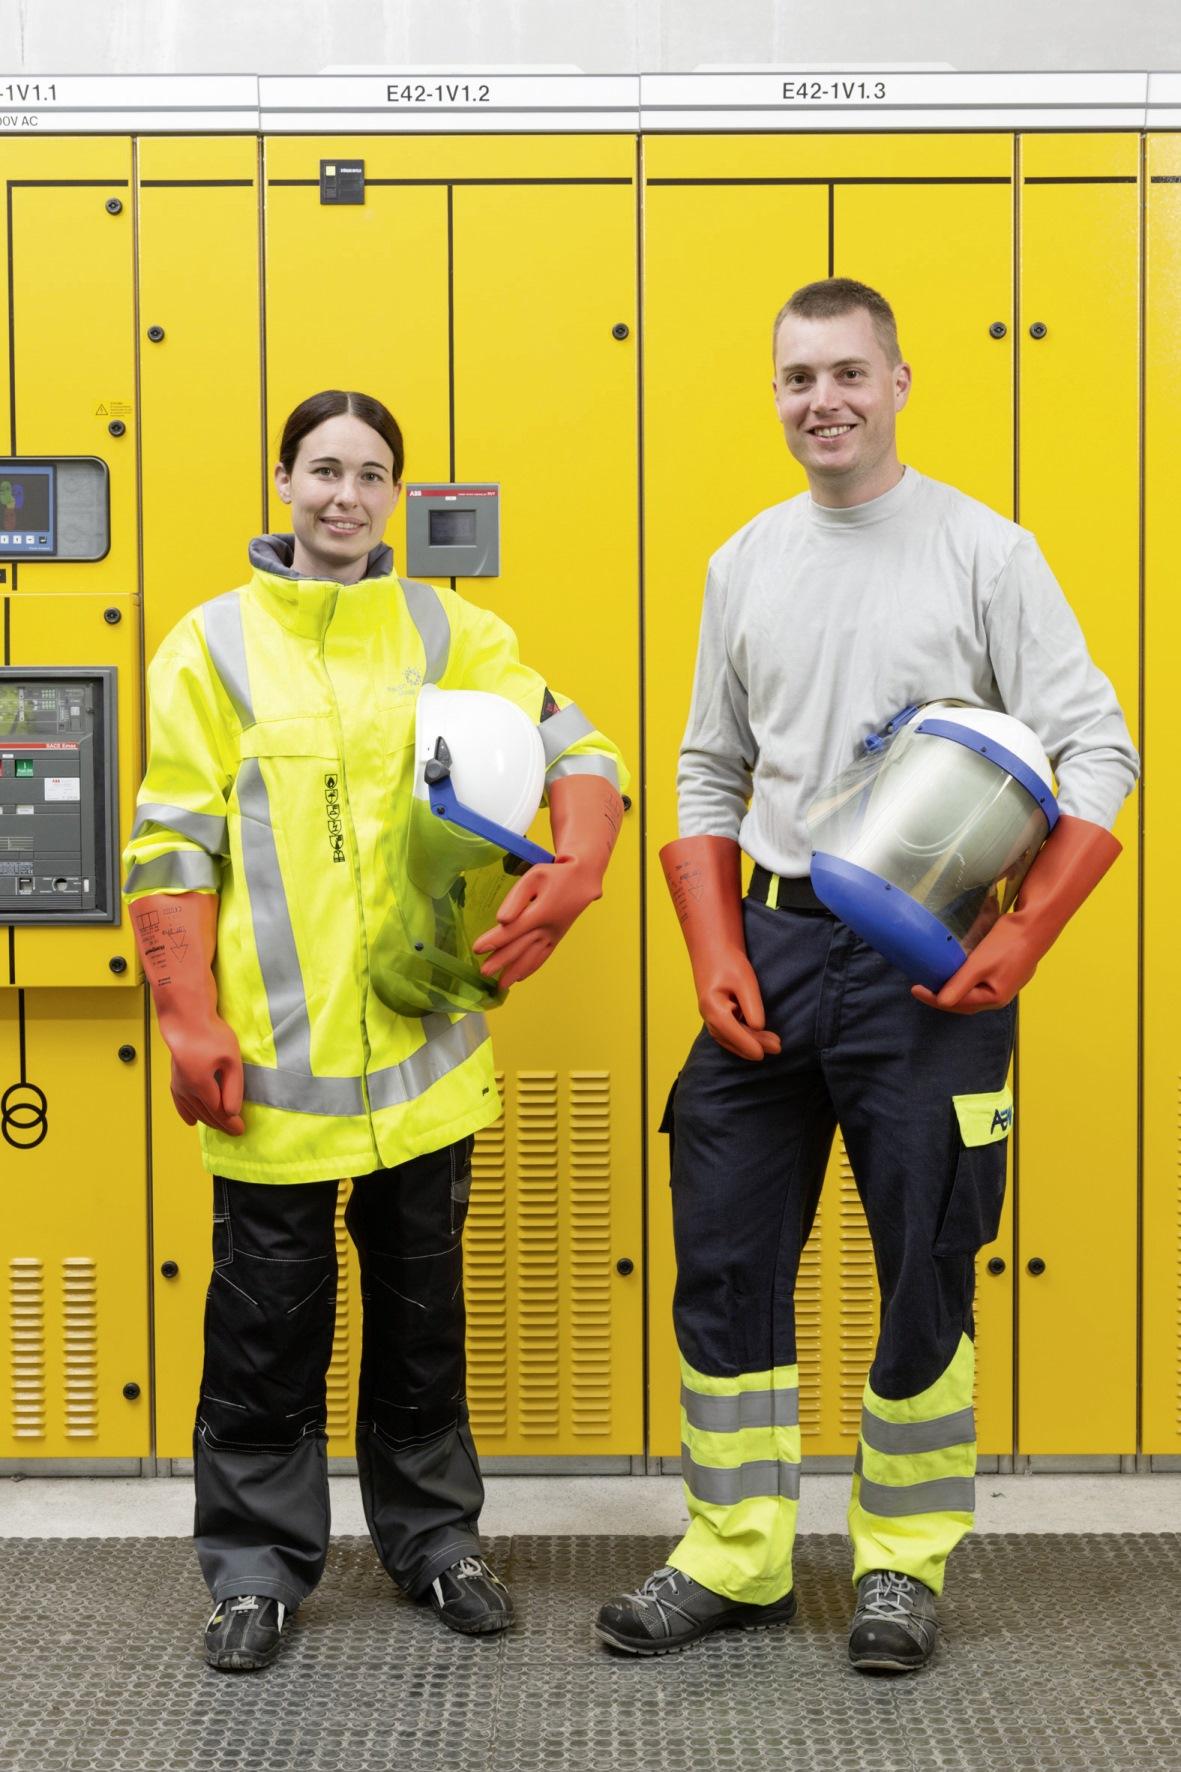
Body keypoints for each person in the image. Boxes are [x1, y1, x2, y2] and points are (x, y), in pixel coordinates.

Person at [595, 279, 1137, 1672]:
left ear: (898, 381)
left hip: (922, 968)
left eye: (847, 373)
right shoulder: (744, 561)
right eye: (798, 378)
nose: (821, 401)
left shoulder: (984, 552)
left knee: (924, 1266)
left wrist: (1023, 933)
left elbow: (1100, 748)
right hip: (772, 947)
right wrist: (714, 948)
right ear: (774, 394)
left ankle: (899, 1562)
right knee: (723, 1257)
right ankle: (736, 1554)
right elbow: (708, 765)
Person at [122, 389, 627, 1671]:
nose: (344, 496)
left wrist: (579, 860)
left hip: (423, 1067)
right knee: (263, 1335)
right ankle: (254, 1568)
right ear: (282, 480)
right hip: (272, 1077)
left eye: (369, 474)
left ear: (395, 493)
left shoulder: (447, 630)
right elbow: (170, 842)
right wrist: (185, 1013)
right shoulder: (210, 647)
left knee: (421, 1324)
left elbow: (578, 747)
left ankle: (436, 1541)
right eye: (323, 470)